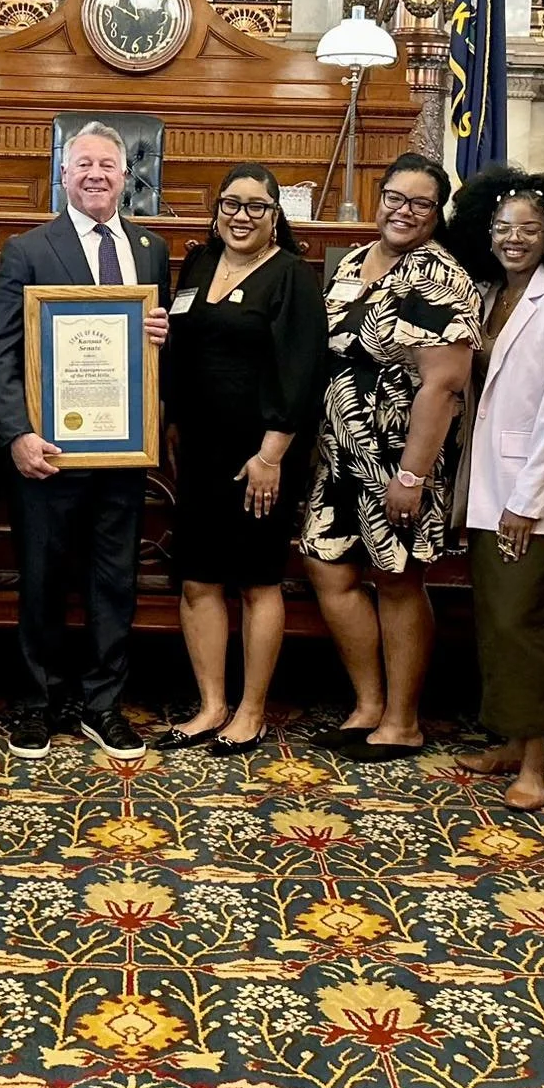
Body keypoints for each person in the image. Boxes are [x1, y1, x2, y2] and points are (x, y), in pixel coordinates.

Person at [0, 121, 171, 760]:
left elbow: (151, 356)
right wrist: (16, 435)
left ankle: (103, 704)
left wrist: (159, 337)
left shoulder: (149, 250)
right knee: (41, 577)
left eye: (107, 165)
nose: (95, 175)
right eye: (83, 164)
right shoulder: (28, 249)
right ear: (64, 173)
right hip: (47, 453)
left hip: (121, 453)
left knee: (113, 581)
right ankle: (37, 702)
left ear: (126, 176)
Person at [303, 153, 480, 763]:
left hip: (403, 458)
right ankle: (369, 704)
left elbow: (443, 385)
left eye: (420, 203)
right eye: (395, 197)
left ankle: (403, 721)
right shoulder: (355, 262)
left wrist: (411, 475)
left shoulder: (440, 276)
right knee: (329, 569)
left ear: (437, 213)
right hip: (342, 455)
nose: (404, 211)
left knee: (399, 580)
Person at [444, 166, 544, 810]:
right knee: (495, 621)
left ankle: (534, 764)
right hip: (485, 483)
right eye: (504, 228)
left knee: (523, 624)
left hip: (527, 494)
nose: (515, 239)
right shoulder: (485, 295)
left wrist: (527, 501)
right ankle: (508, 740)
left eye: (529, 230)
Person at [158, 164, 327, 755]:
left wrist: (272, 454)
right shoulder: (200, 264)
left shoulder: (292, 278)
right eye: (232, 202)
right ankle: (211, 705)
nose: (242, 215)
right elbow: (182, 345)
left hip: (260, 457)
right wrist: (173, 419)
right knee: (198, 579)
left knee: (256, 581)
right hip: (200, 450)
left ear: (276, 214)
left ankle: (251, 711)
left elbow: (303, 371)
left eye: (257, 206)